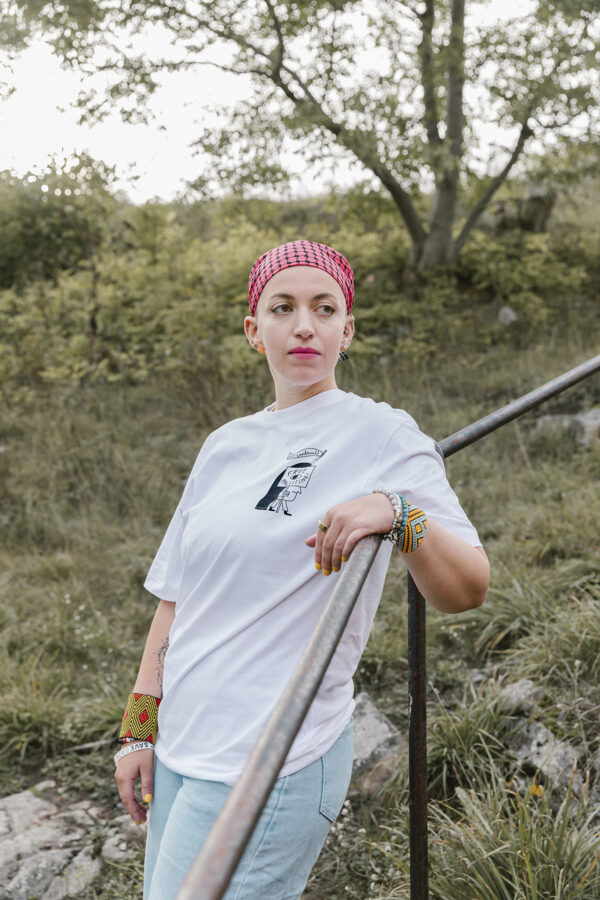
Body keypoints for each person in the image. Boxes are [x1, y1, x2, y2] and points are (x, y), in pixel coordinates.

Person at [114, 240, 490, 900]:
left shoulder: (381, 433)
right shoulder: (224, 445)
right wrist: (139, 730)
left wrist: (401, 513)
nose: (304, 325)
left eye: (324, 308)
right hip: (182, 749)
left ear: (348, 328)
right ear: (255, 331)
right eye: (283, 308)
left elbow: (469, 585)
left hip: (273, 761)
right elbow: (177, 598)